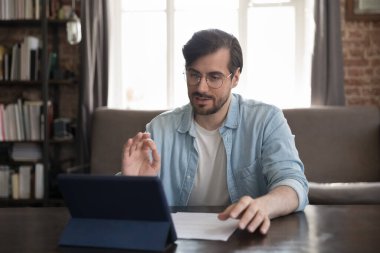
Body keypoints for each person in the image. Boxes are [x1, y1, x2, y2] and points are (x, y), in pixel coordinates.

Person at [121, 29, 309, 234]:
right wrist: (133, 186)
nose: (201, 87)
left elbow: (293, 183)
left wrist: (265, 205)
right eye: (194, 75)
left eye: (214, 77)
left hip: (247, 239)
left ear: (235, 77)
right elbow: (133, 213)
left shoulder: (266, 120)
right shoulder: (158, 129)